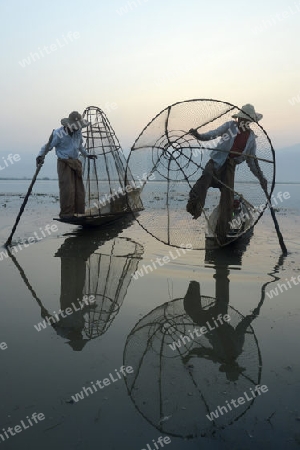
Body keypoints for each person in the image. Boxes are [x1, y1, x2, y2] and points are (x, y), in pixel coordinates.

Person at [186, 104, 268, 240]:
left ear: (251, 122)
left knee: (228, 198)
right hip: (216, 163)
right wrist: (198, 136)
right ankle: (194, 208)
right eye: (242, 120)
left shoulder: (251, 138)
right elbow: (213, 134)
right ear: (239, 119)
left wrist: (261, 178)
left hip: (229, 168)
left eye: (247, 121)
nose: (244, 122)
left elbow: (252, 162)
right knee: (203, 182)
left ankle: (222, 230)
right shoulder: (230, 126)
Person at [36, 111, 96, 219]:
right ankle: (67, 214)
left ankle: (78, 213)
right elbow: (48, 146)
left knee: (79, 190)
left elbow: (80, 146)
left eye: (78, 127)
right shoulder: (58, 134)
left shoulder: (78, 132)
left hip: (75, 162)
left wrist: (87, 155)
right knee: (67, 189)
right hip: (64, 163)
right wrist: (40, 156)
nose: (76, 129)